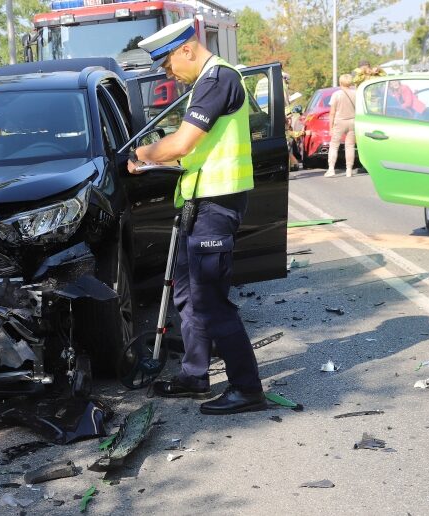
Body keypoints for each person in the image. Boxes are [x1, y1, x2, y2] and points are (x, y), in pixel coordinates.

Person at [128, 19, 265, 415]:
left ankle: (247, 387)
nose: (168, 73)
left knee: (210, 301)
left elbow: (184, 143)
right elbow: (195, 151)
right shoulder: (205, 83)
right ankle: (195, 374)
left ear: (187, 48)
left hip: (217, 206)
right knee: (188, 295)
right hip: (200, 203)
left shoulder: (218, 79)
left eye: (168, 63)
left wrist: (142, 155)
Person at [326, 74, 356, 178]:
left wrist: (330, 127)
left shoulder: (336, 94)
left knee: (334, 146)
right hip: (352, 122)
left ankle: (331, 169)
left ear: (340, 82)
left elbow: (332, 112)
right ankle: (349, 170)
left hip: (339, 122)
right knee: (350, 146)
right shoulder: (356, 94)